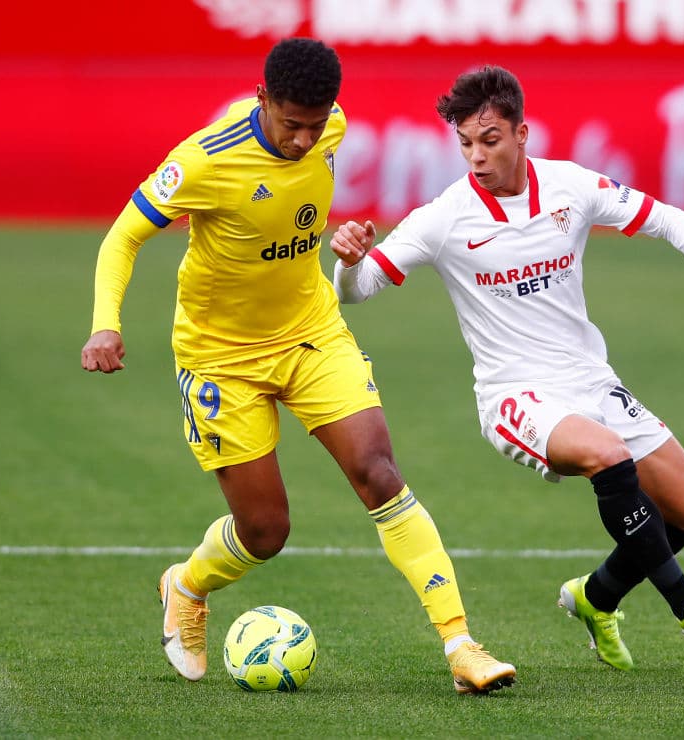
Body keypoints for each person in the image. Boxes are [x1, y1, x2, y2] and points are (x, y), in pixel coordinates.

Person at [80, 39, 514, 695]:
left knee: (378, 472)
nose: (305, 139)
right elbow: (124, 236)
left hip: (311, 334)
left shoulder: (330, 126)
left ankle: (461, 646)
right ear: (263, 99)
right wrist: (105, 323)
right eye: (291, 125)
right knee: (265, 530)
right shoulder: (205, 160)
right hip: (221, 358)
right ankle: (186, 585)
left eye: (316, 125)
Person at [330, 65, 684, 671]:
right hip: (515, 396)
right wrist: (349, 262)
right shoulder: (445, 217)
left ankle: (596, 596)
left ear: (521, 133)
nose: (476, 156)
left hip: (591, 381)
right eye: (465, 143)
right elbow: (357, 291)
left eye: (490, 140)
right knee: (608, 454)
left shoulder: (569, 187)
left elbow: (662, 216)